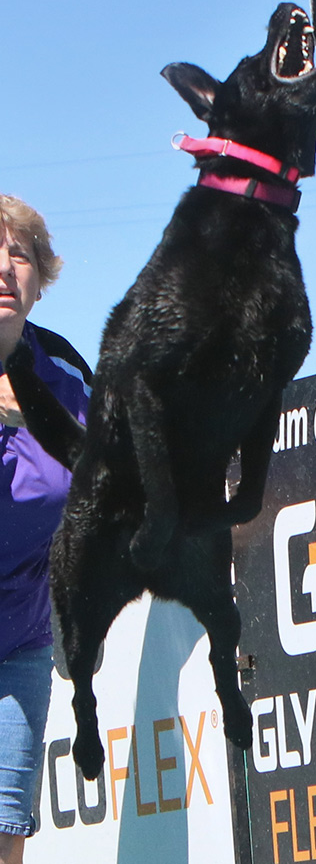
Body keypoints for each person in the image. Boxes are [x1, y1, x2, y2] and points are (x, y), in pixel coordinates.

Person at [0, 195, 91, 863]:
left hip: (18, 639)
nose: (5, 268)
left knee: (6, 828)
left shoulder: (61, 376)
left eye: (20, 254)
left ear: (39, 279)